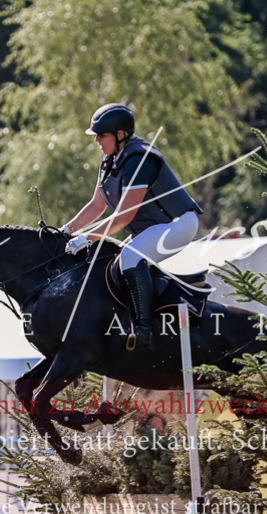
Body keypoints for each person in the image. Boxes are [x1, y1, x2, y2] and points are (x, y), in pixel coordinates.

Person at [62, 103, 203, 351]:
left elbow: (123, 218)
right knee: (111, 259)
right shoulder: (110, 161)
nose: (96, 140)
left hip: (179, 224)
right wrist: (66, 230)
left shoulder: (140, 159)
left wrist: (86, 238)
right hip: (153, 229)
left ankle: (143, 329)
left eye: (101, 135)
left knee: (130, 256)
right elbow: (96, 206)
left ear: (120, 135)